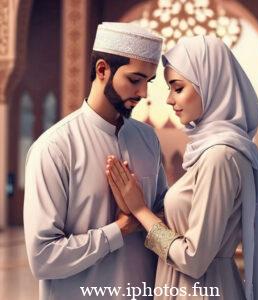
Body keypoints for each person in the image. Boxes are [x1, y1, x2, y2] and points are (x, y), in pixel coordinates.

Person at [106, 35, 258, 300]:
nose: (170, 100)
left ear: (210, 84)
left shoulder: (221, 157)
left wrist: (140, 210)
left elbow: (193, 259)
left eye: (178, 87)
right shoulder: (212, 152)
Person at [23, 22, 168, 300]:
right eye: (135, 80)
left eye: (148, 83)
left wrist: (144, 212)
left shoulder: (148, 139)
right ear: (102, 70)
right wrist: (119, 230)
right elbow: (42, 257)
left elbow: (163, 217)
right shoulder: (55, 148)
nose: (143, 94)